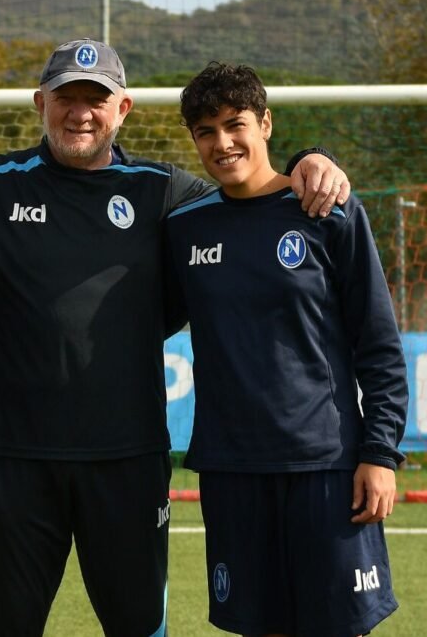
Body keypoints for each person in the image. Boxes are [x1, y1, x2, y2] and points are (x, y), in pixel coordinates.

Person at [0, 39, 351, 636]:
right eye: (66, 98)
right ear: (41, 103)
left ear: (123, 109)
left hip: (128, 460)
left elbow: (249, 190)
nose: (80, 113)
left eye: (96, 99)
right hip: (15, 461)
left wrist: (312, 159)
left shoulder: (163, 191)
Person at [164, 62, 407, 636]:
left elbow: (378, 343)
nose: (223, 143)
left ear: (266, 124)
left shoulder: (329, 212)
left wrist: (380, 453)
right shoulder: (184, 228)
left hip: (325, 464)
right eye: (205, 131)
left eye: (236, 124)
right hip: (231, 468)